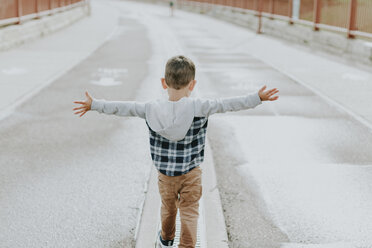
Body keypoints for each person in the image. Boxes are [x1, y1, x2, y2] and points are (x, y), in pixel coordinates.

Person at [73, 55, 279, 248]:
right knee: (190, 211)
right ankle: (187, 245)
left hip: (165, 175)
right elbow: (228, 104)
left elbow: (124, 107)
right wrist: (257, 97)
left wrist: (95, 105)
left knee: (168, 208)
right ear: (193, 85)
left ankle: (166, 238)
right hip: (191, 173)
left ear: (164, 83)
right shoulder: (200, 106)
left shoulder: (150, 108)